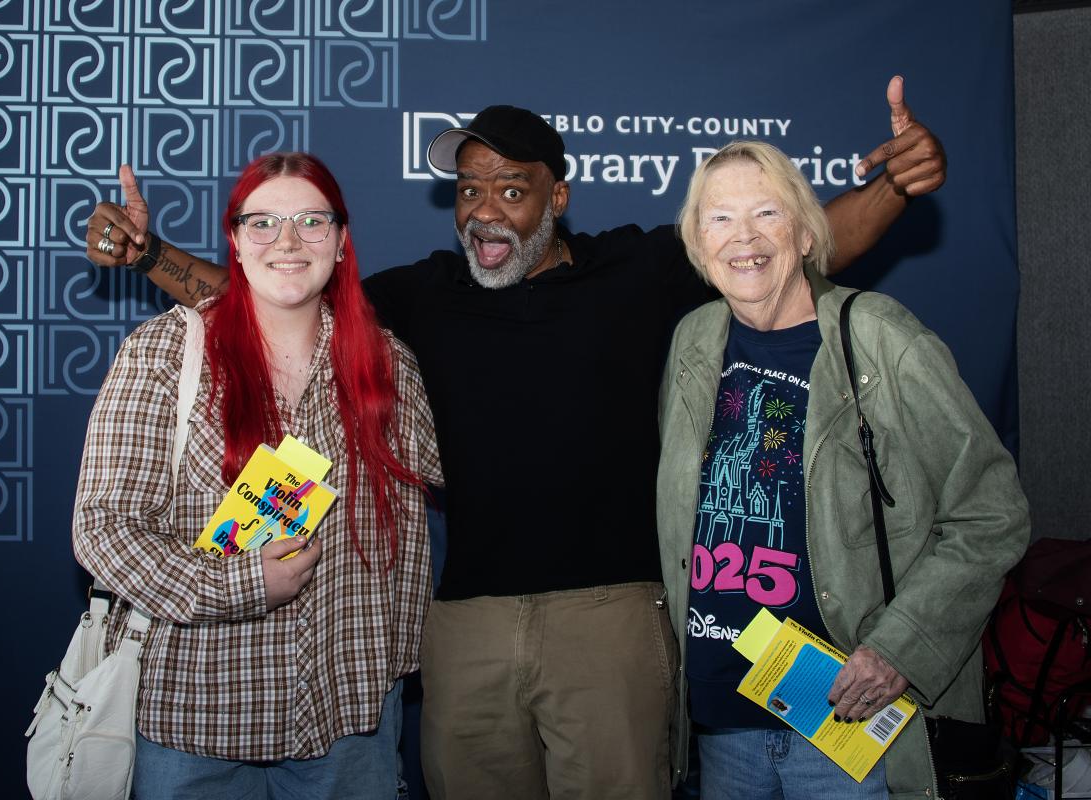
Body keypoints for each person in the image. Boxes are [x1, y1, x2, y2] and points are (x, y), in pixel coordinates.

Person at [84, 80, 946, 798]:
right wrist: (151, 252)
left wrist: (896, 187)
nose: (484, 210)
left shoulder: (638, 269)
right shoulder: (423, 294)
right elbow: (277, 294)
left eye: (509, 187)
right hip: (464, 626)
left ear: (556, 195)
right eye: (467, 189)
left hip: (610, 616)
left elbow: (797, 250)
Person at [657, 140, 1028, 798]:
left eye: (767, 213)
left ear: (804, 233)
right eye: (719, 218)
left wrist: (900, 648)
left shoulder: (879, 339)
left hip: (844, 720)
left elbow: (992, 514)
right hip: (722, 717)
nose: (744, 237)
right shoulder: (694, 341)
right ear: (695, 242)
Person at [72, 152, 443, 799]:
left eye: (311, 221)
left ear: (342, 240)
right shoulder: (163, 354)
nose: (290, 242)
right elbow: (102, 532)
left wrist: (393, 668)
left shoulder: (389, 367)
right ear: (236, 241)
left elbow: (418, 527)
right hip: (198, 720)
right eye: (264, 223)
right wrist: (244, 582)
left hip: (349, 722)